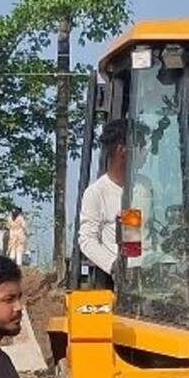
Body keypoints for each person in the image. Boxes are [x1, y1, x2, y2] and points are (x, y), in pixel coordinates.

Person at [76, 120, 130, 286]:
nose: (146, 153)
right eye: (141, 146)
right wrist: (115, 267)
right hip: (125, 279)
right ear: (122, 149)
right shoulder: (97, 193)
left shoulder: (145, 188)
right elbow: (87, 240)